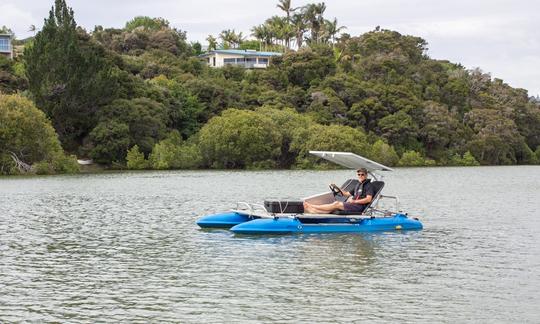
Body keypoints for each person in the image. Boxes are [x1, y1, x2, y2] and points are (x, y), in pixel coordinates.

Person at [303, 168, 375, 214]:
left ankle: (313, 206)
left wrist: (354, 201)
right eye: (359, 174)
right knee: (333, 207)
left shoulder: (369, 186)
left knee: (336, 204)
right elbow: (346, 194)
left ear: (366, 175)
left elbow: (368, 199)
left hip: (358, 207)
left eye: (362, 174)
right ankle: (313, 211)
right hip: (353, 204)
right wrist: (338, 188)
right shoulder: (358, 185)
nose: (360, 176)